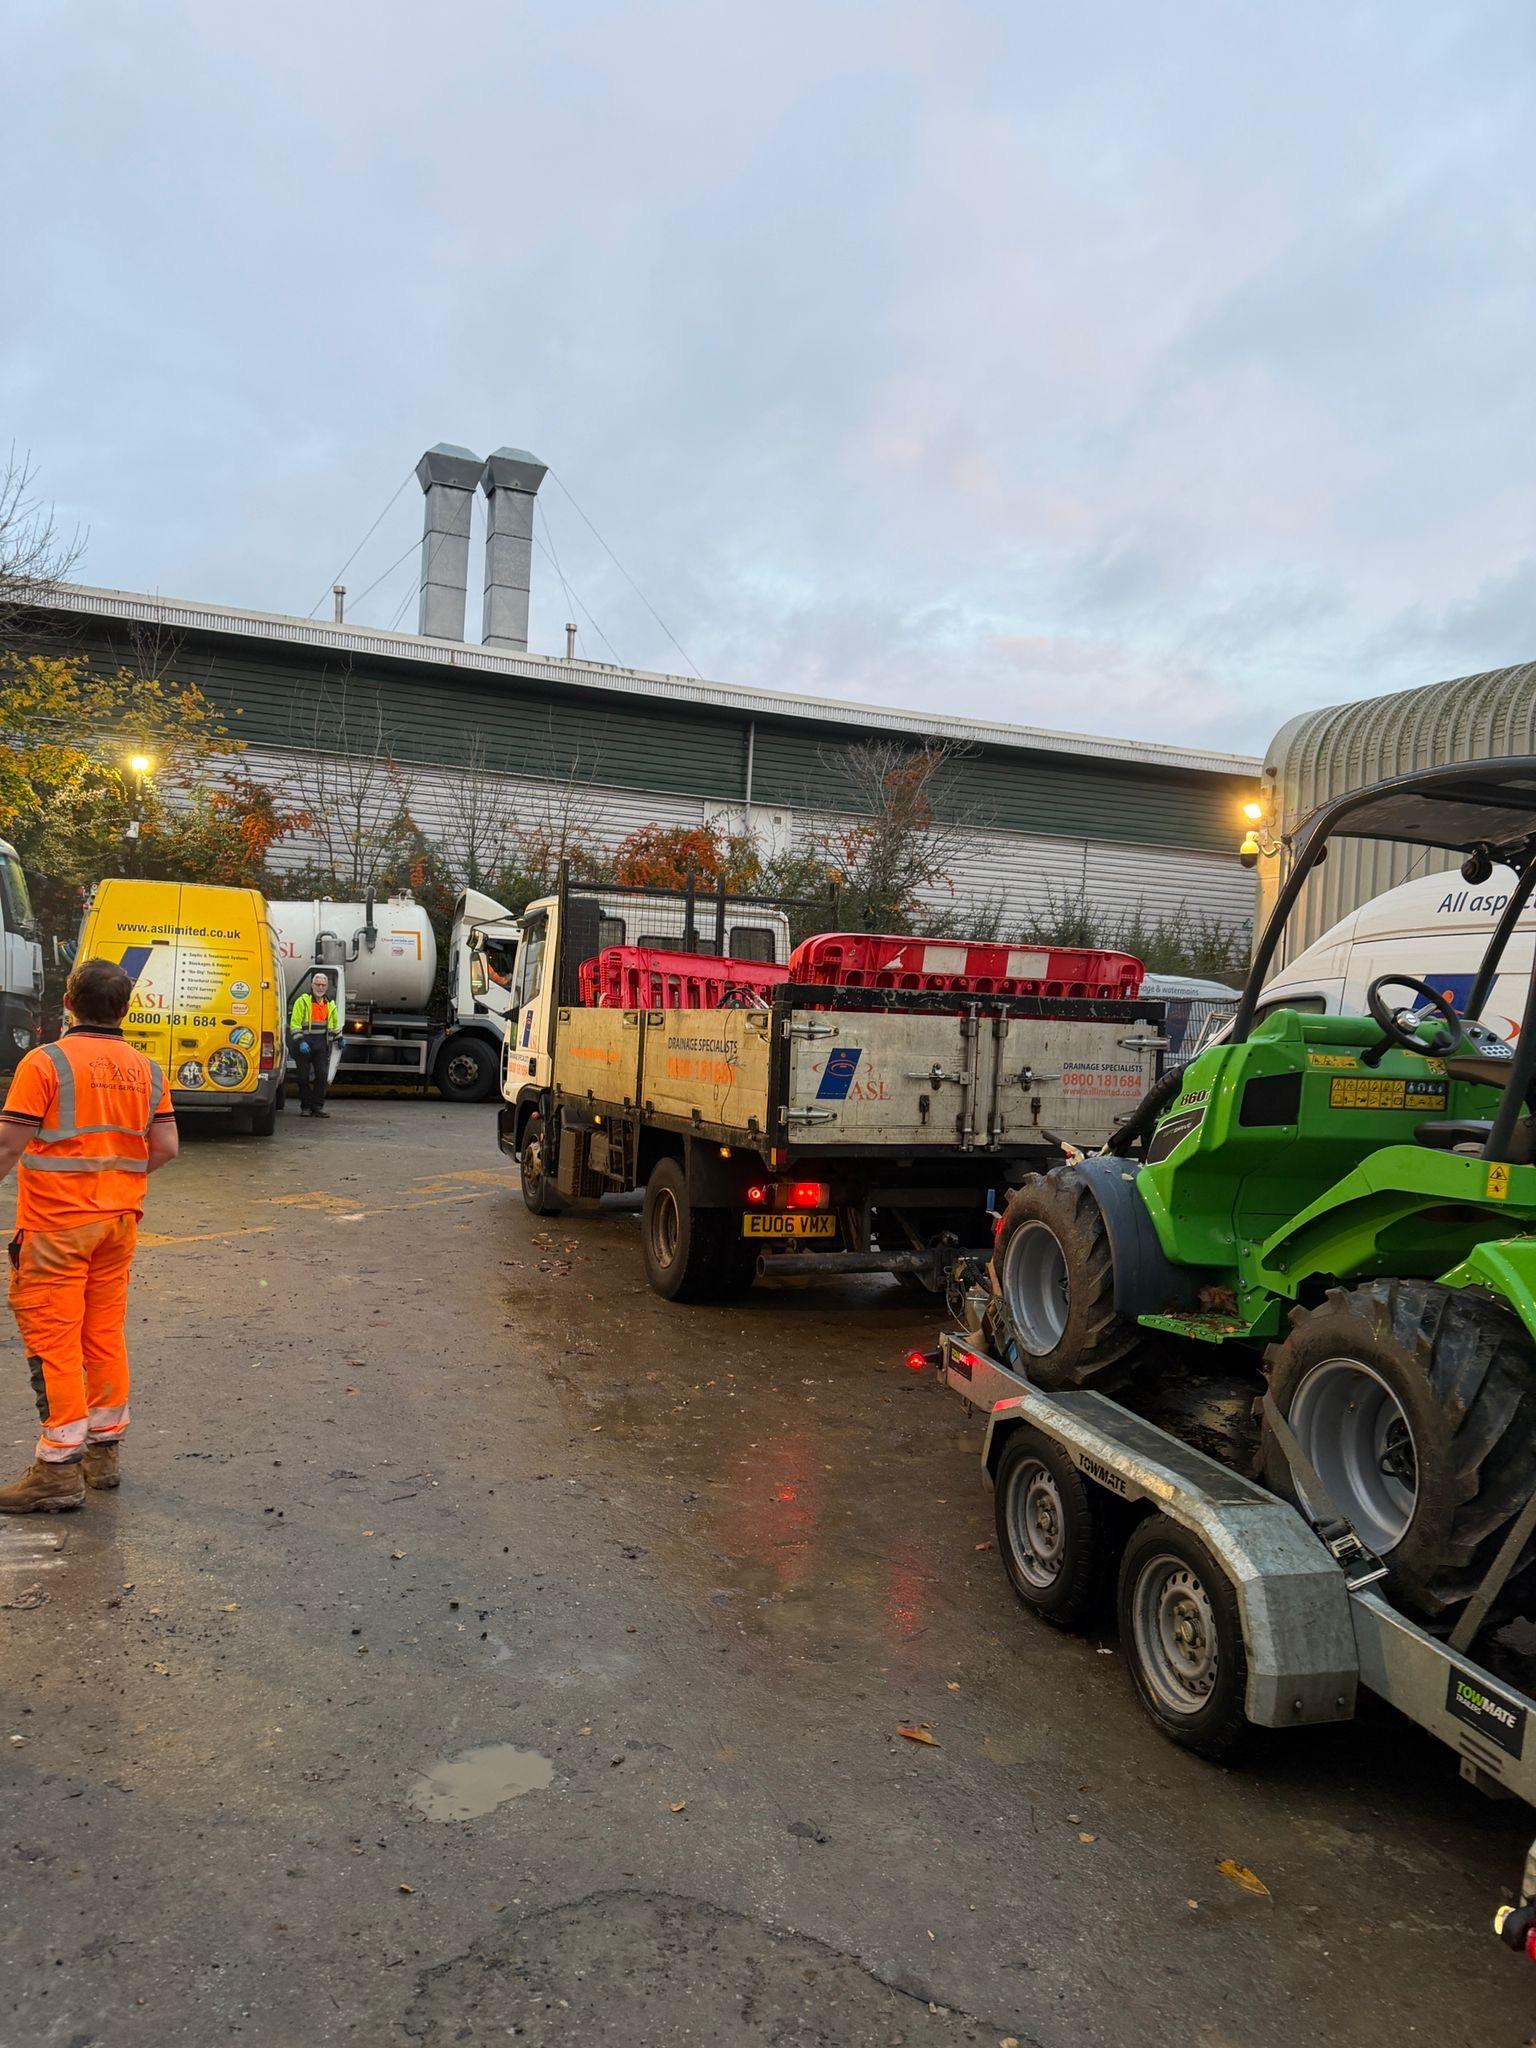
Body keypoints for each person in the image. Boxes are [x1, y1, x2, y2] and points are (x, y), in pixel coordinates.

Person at [0, 957, 177, 1512]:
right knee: (102, 1335)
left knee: (54, 1341)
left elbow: (8, 1145)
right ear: (126, 1008)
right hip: (117, 1224)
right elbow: (166, 1148)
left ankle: (57, 1469)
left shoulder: (46, 1063)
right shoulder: (147, 1070)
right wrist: (115, 1175)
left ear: (69, 1004)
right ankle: (103, 1456)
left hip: (56, 1228)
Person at [290, 970, 340, 1118]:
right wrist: (300, 1041)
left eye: (323, 985)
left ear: (327, 987)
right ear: (312, 985)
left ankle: (317, 1106)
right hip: (304, 1044)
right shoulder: (302, 1001)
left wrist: (339, 1037)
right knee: (303, 1077)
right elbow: (295, 1024)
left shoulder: (329, 1004)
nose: (320, 987)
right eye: (317, 984)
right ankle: (305, 1107)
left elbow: (334, 1024)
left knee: (322, 1075)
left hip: (321, 1044)